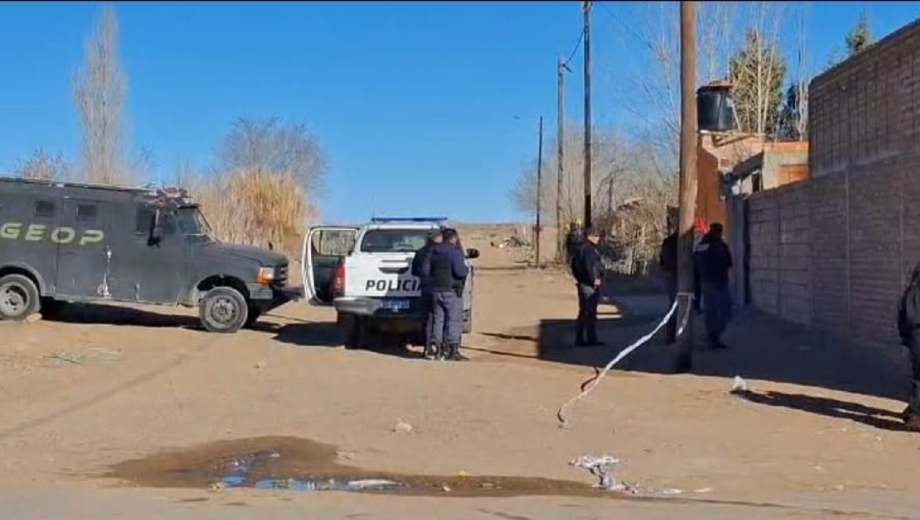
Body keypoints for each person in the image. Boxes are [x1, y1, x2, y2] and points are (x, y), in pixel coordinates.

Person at [424, 228, 469, 361]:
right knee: (453, 320)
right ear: (454, 238)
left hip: (436, 290)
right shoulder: (454, 252)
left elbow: (426, 270)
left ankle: (437, 350)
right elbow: (460, 271)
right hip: (451, 290)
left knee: (438, 320)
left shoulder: (433, 251)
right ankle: (452, 350)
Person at [694, 222, 733, 349]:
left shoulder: (701, 245)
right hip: (719, 281)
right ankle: (713, 337)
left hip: (706, 281)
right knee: (724, 312)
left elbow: (695, 263)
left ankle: (712, 337)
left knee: (711, 311)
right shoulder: (720, 245)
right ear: (719, 232)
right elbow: (728, 262)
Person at [411, 229, 443, 360]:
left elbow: (414, 271)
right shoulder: (441, 251)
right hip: (439, 287)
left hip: (424, 288)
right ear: (438, 238)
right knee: (440, 317)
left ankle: (427, 347)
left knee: (426, 319)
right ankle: (440, 348)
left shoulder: (420, 252)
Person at [570, 227, 605, 347]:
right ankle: (591, 339)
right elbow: (589, 267)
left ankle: (580, 338)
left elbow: (574, 266)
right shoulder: (589, 250)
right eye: (595, 236)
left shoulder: (579, 249)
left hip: (582, 283)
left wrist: (579, 278)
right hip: (589, 285)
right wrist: (593, 280)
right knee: (590, 313)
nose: (598, 238)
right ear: (589, 236)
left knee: (583, 312)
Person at [897, 262, 920, 432]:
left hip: (914, 338)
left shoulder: (909, 294)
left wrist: (906, 339)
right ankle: (915, 415)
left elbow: (902, 319)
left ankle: (913, 412)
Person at [659, 226, 678, 344]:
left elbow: (662, 259)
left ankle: (671, 336)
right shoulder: (678, 243)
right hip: (676, 274)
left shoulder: (668, 242)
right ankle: (672, 336)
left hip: (670, 273)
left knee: (674, 305)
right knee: (676, 306)